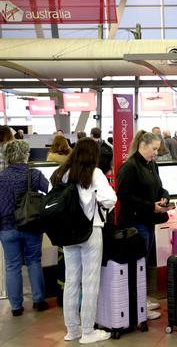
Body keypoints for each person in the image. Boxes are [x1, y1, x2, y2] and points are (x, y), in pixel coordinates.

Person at [51, 138, 117, 344]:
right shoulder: (94, 173)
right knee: (90, 282)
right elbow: (110, 199)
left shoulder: (62, 173)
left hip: (67, 233)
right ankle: (88, 331)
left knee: (71, 281)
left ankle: (72, 330)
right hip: (90, 231)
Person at [116, 130, 170, 320]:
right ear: (143, 145)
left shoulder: (151, 164)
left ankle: (141, 300)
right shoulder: (129, 167)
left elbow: (159, 187)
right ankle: (138, 305)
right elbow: (124, 197)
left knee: (142, 264)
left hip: (147, 221)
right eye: (154, 149)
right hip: (134, 223)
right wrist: (150, 206)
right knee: (137, 264)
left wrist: (164, 197)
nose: (156, 152)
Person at [0, 140, 49, 317]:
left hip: (6, 227)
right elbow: (50, 191)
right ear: (25, 154)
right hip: (31, 224)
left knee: (12, 266)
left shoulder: (1, 176)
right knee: (34, 261)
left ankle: (15, 307)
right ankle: (38, 300)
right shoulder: (33, 174)